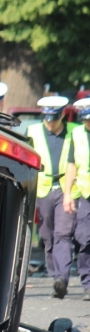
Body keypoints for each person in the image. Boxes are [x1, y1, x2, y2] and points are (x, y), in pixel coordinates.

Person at [27, 96, 79, 299]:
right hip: (44, 189)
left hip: (68, 188)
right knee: (48, 237)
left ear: (62, 115)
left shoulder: (75, 131)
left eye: (54, 118)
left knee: (63, 235)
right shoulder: (33, 131)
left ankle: (61, 278)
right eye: (47, 118)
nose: (50, 122)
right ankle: (54, 273)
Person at [62, 97, 90, 301]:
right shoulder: (78, 133)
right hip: (86, 194)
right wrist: (68, 193)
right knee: (84, 238)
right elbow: (72, 165)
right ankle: (88, 284)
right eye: (86, 119)